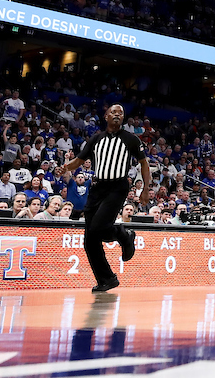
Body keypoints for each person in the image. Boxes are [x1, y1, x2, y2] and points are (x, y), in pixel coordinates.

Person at [59, 104, 152, 292]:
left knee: (99, 227)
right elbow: (79, 160)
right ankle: (107, 279)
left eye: (121, 113)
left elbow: (144, 163)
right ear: (106, 116)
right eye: (113, 112)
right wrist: (67, 168)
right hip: (97, 187)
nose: (117, 115)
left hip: (117, 186)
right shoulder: (96, 139)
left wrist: (145, 189)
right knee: (90, 239)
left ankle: (123, 235)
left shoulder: (130, 139)